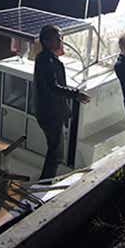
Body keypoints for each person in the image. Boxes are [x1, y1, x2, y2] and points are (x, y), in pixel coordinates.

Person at [33, 25, 90, 180]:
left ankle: (45, 182)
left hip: (51, 113)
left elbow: (55, 88)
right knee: (56, 153)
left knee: (55, 151)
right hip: (49, 115)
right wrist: (76, 94)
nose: (61, 41)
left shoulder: (47, 58)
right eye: (57, 38)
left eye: (61, 38)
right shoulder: (47, 61)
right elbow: (53, 87)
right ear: (46, 41)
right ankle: (44, 184)